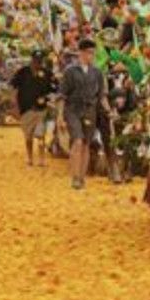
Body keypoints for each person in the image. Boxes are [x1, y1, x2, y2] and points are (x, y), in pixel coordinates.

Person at [59, 38, 104, 190]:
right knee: (77, 141)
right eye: (88, 53)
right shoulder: (70, 71)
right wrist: (60, 116)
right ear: (81, 53)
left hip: (90, 110)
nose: (91, 56)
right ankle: (74, 176)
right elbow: (63, 95)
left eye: (93, 53)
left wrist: (109, 110)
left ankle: (81, 177)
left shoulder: (97, 72)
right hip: (73, 109)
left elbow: (101, 95)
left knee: (86, 143)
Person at [11, 51, 55, 168]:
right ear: (32, 60)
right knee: (28, 136)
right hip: (26, 108)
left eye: (40, 61)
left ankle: (41, 158)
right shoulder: (23, 72)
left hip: (41, 108)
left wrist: (49, 99)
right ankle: (30, 157)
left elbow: (54, 88)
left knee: (41, 134)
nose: (38, 63)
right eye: (36, 60)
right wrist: (14, 105)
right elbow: (14, 87)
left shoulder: (47, 73)